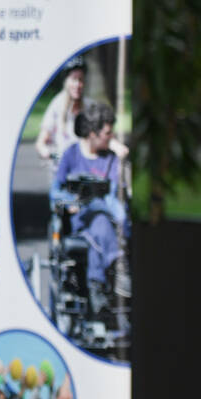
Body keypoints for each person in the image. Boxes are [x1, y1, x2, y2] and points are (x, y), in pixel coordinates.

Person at [50, 100, 127, 299]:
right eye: (108, 133)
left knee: (100, 227)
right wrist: (70, 201)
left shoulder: (109, 158)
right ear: (93, 134)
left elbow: (114, 197)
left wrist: (121, 160)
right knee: (100, 226)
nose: (112, 138)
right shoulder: (72, 155)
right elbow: (55, 192)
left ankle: (96, 285)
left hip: (104, 217)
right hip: (79, 218)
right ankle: (115, 269)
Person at [34, 56, 86, 164]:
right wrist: (45, 151)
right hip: (61, 166)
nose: (77, 85)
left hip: (83, 166)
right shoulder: (57, 105)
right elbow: (41, 141)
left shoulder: (89, 105)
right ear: (66, 81)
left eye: (80, 80)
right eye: (73, 79)